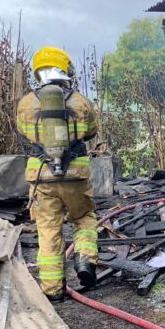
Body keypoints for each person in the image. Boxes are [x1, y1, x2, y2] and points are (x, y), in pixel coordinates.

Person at [16, 46, 99, 301]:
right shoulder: (80, 101)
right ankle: (85, 261)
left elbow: (23, 131)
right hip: (75, 174)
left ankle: (52, 290)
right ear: (64, 69)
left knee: (48, 230)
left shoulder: (26, 103)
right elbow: (91, 131)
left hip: (41, 175)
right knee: (83, 218)